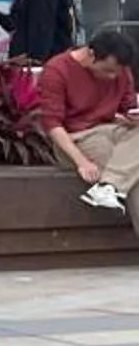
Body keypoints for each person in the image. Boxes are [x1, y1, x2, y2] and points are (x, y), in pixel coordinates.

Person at [35, 24, 139, 221]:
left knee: (128, 170)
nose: (113, 77)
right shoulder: (57, 70)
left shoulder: (120, 70)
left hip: (111, 129)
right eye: (108, 71)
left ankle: (109, 186)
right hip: (75, 138)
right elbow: (53, 125)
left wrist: (133, 118)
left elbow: (128, 107)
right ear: (91, 55)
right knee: (134, 179)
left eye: (117, 72)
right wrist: (81, 162)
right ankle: (111, 185)